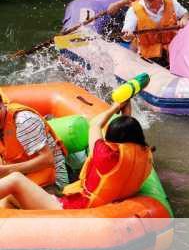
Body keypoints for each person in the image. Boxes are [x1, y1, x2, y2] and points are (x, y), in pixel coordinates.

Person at [0, 101, 152, 210]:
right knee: (8, 198)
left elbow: (95, 124)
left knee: (15, 180)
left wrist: (115, 106)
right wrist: (126, 112)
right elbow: (126, 141)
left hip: (69, 209)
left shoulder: (105, 156)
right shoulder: (145, 157)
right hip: (89, 206)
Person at [0, 89, 68, 192]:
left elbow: (47, 160)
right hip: (22, 175)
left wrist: (8, 170)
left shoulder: (23, 121)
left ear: (1, 104)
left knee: (6, 199)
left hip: (53, 181)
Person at [122, 0, 189, 67]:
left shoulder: (171, 3)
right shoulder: (134, 10)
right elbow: (127, 31)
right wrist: (127, 35)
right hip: (147, 58)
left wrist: (184, 20)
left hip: (171, 53)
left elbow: (185, 15)